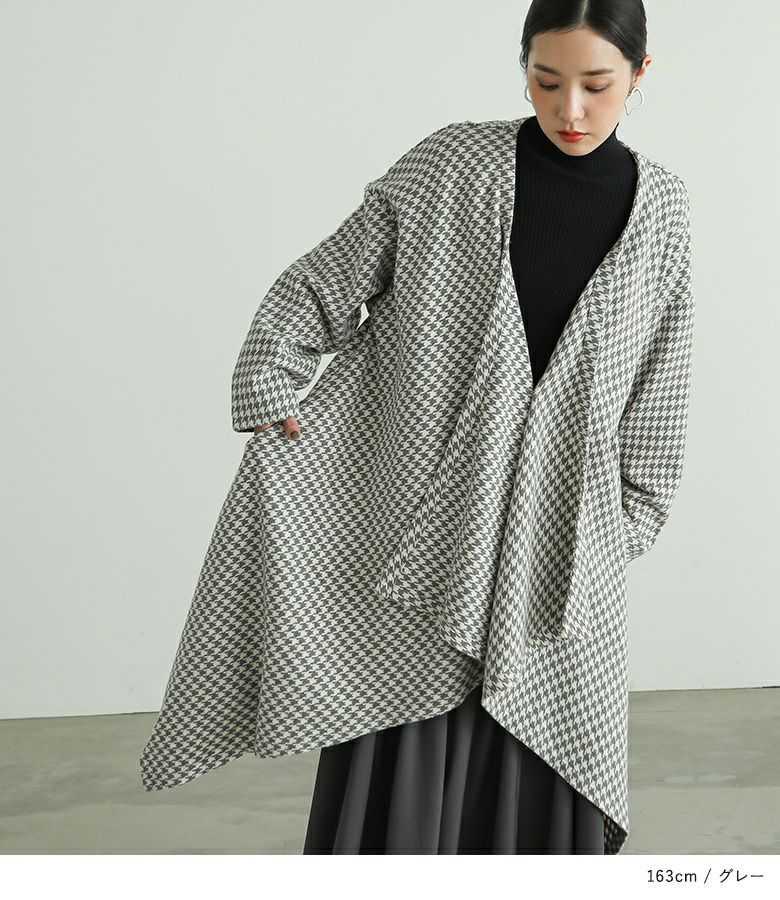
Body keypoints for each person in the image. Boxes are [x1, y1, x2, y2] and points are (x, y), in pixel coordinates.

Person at [139, 0, 695, 857]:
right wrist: (273, 374)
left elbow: (662, 379)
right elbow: (329, 276)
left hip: (558, 546)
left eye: (598, 85)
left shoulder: (662, 212)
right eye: (546, 81)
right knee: (402, 729)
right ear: (523, 67)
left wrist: (623, 523)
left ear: (641, 74)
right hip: (419, 522)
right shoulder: (451, 164)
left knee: (550, 743)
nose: (571, 109)